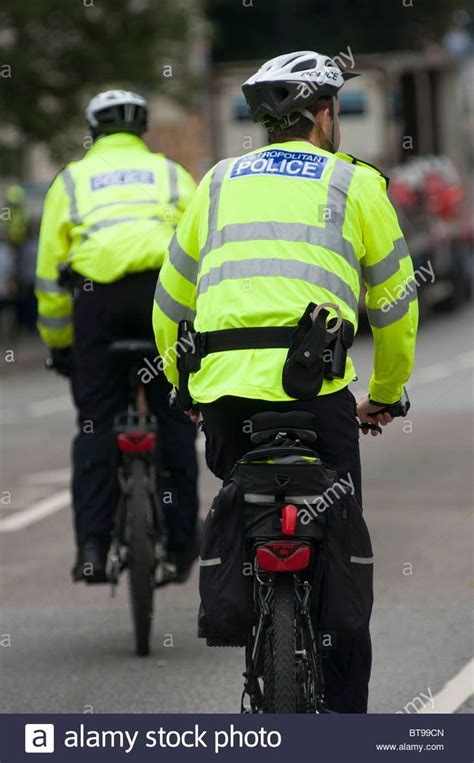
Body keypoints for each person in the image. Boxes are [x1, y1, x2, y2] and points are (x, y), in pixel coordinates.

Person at [153, 51, 418, 712]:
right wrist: (385, 393)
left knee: (245, 495)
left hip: (226, 399)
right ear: (325, 116)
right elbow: (396, 307)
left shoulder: (214, 183)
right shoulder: (354, 185)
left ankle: (248, 610)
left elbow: (169, 306)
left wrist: (186, 390)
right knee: (337, 527)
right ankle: (345, 721)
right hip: (318, 398)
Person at [35, 89, 199, 584]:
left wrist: (62, 347)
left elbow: (48, 278)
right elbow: (199, 249)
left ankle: (93, 547)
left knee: (95, 426)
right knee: (174, 425)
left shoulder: (70, 180)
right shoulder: (172, 173)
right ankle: (182, 546)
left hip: (97, 302)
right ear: (142, 129)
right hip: (161, 297)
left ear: (93, 131)